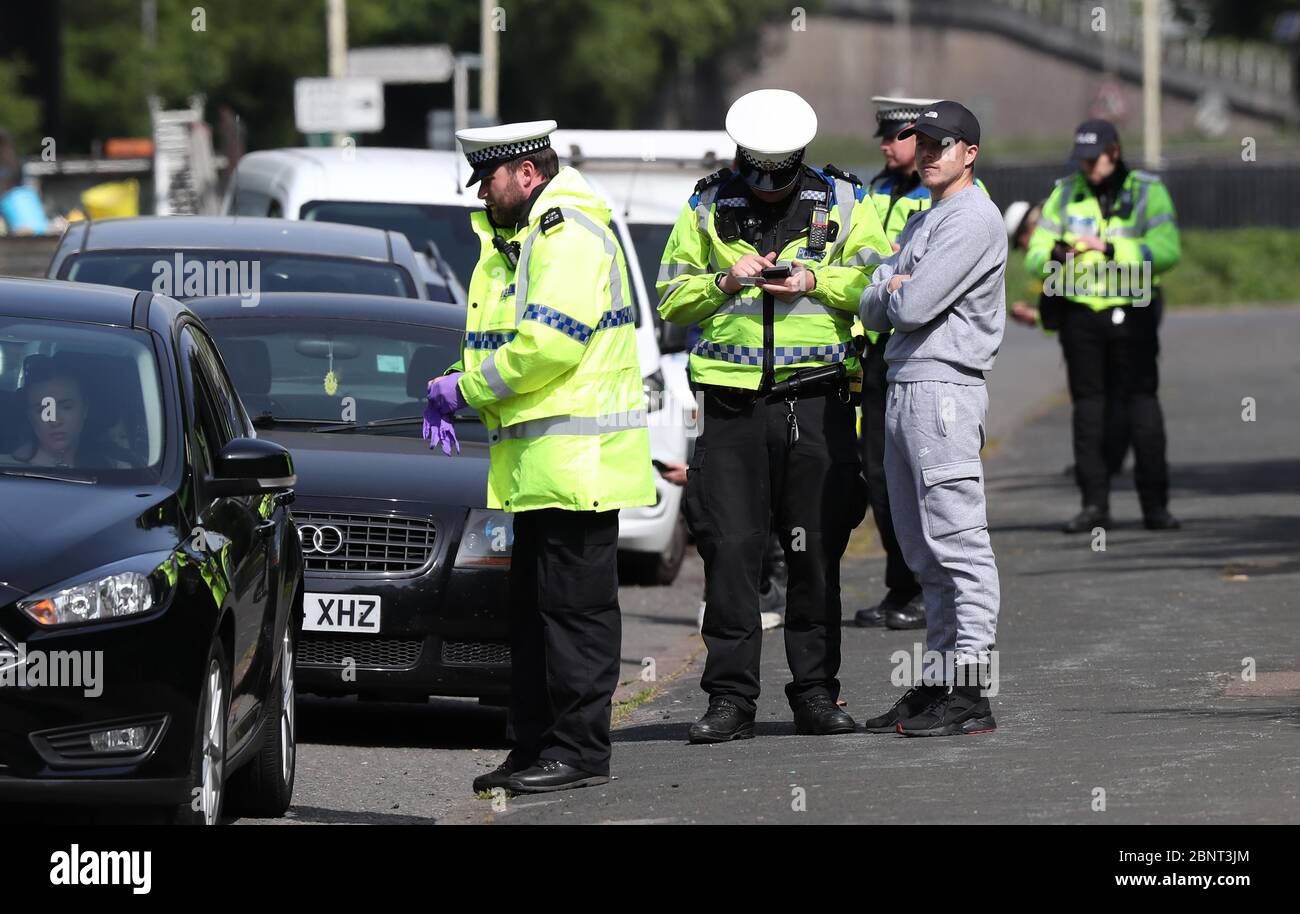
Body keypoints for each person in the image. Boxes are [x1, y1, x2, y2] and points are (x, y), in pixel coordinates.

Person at [428, 120, 655, 794]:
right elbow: (511, 339)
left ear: (527, 172)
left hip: (576, 467)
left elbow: (548, 347)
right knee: (533, 618)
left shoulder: (565, 233)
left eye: (489, 179)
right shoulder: (527, 237)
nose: (483, 195)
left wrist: (462, 390)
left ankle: (580, 752)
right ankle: (533, 748)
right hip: (542, 471)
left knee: (573, 618)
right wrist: (457, 380)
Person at [657, 88, 889, 743]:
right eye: (753, 175)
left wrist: (815, 282)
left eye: (777, 178)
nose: (764, 189)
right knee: (730, 556)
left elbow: (882, 289)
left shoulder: (845, 200)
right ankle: (729, 701)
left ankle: (815, 695)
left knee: (814, 553)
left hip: (816, 405)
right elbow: (671, 298)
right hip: (730, 410)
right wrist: (726, 283)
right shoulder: (706, 202)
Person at [859, 100, 1006, 736]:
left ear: (969, 153)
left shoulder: (972, 218)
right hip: (905, 385)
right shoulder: (928, 217)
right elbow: (870, 303)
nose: (925, 155)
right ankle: (943, 678)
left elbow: (910, 301)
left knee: (959, 547)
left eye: (939, 146)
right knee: (923, 551)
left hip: (943, 390)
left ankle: (971, 691)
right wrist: (891, 287)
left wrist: (897, 285)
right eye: (920, 145)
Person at [1024, 120, 1181, 533]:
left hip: (1135, 309)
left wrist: (1112, 247)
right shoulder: (1064, 193)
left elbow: (1167, 251)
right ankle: (1094, 505)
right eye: (1082, 159)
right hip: (1081, 313)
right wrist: (1056, 253)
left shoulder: (1148, 190)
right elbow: (1035, 255)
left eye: (1094, 159)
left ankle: (1155, 506)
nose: (1087, 167)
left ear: (1114, 151)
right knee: (1088, 408)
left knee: (1141, 404)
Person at [853, 96, 941, 631]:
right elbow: (860, 261)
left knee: (924, 474)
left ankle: (929, 589)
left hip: (922, 352)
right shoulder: (872, 191)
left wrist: (890, 269)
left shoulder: (949, 196)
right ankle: (900, 585)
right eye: (883, 138)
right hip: (874, 347)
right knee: (879, 475)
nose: (886, 146)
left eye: (896, 137)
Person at [3, 355, 129, 469]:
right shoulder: (7, 469)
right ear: (30, 417)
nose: (55, 420)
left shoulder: (119, 472)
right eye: (43, 410)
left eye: (66, 407)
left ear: (85, 409)